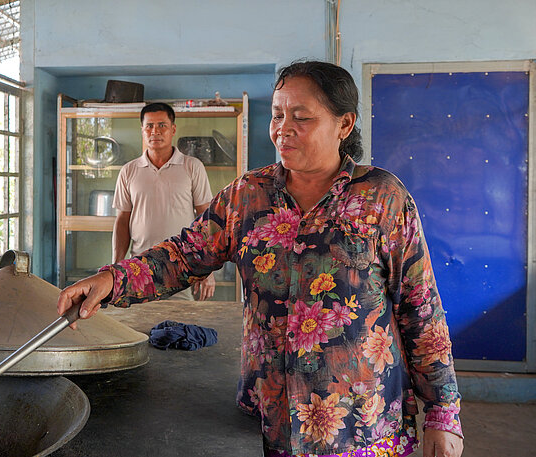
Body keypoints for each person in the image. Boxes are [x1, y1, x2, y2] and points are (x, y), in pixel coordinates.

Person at [58, 60, 464, 457]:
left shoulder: (383, 198)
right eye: (277, 115)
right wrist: (113, 280)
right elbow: (183, 255)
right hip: (271, 419)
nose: (282, 130)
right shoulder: (248, 195)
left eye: (300, 117)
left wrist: (443, 414)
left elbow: (420, 308)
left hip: (362, 424)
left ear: (344, 124)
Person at [112, 102, 216, 300]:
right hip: (139, 266)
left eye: (162, 125)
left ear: (173, 129)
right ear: (142, 130)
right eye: (149, 126)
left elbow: (206, 219)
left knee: (180, 327)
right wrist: (117, 266)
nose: (155, 131)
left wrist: (207, 267)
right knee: (138, 326)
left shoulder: (192, 166)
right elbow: (122, 220)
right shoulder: (129, 171)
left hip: (182, 265)